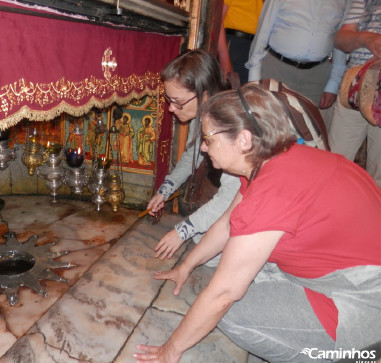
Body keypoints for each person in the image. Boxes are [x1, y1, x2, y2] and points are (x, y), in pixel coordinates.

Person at [134, 83, 381, 363]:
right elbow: (228, 224)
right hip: (347, 268)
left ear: (243, 140)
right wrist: (186, 266)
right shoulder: (270, 160)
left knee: (232, 312)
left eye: (208, 138)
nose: (203, 147)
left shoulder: (273, 189)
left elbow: (224, 294)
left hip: (364, 299)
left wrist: (171, 349)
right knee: (233, 269)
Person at [146, 49, 240, 267]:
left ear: (204, 95)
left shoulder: (228, 127)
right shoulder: (208, 112)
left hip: (279, 206)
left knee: (210, 253)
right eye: (169, 100)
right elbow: (193, 155)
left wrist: (181, 230)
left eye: (177, 102)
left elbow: (230, 198)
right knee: (202, 241)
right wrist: (165, 190)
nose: (170, 108)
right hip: (245, 200)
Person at [246, 0, 351, 129]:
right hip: (277, 68)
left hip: (317, 76)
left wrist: (333, 84)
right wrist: (254, 79)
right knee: (268, 127)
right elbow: (262, 31)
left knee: (306, 131)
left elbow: (340, 39)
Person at [328, 0, 381, 188]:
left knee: (379, 176)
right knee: (334, 163)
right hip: (353, 88)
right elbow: (341, 40)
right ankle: (330, 213)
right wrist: (366, 38)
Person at [217, 0, 263, 87]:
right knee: (228, 91)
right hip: (235, 43)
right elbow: (217, 19)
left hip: (251, 46)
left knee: (242, 92)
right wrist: (224, 58)